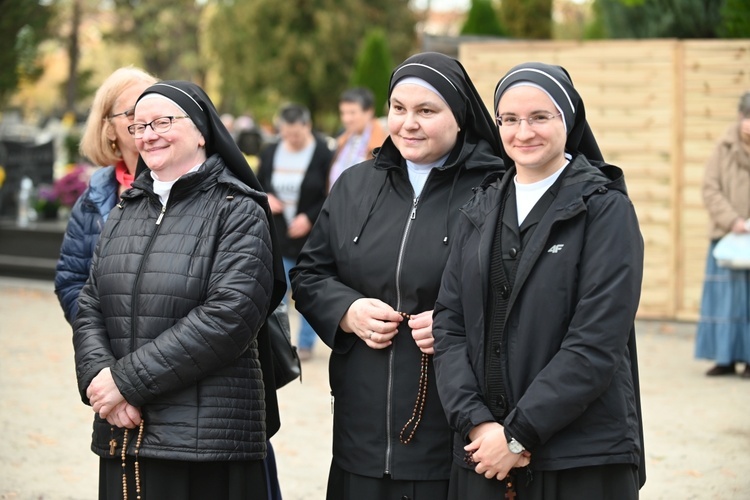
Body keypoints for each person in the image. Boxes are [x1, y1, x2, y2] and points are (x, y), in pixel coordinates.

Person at [290, 52, 504, 499]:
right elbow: (310, 273)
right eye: (399, 109)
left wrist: (456, 321)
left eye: (427, 110)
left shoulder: (497, 189)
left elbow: (522, 291)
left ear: (460, 115)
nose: (409, 123)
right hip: (362, 427)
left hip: (453, 425)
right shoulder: (354, 184)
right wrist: (347, 311)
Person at [432, 62, 646, 499]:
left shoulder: (605, 211)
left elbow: (595, 342)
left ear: (567, 120)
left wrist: (518, 434)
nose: (522, 132)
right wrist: (477, 423)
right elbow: (449, 326)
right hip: (484, 455)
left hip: (581, 457)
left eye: (539, 117)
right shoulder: (479, 208)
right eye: (509, 119)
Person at [72, 80, 287, 500]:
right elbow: (91, 301)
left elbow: (229, 317)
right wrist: (100, 381)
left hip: (205, 445)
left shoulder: (237, 209)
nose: (148, 134)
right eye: (139, 126)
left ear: (202, 130)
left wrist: (124, 383)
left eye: (163, 121)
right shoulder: (127, 208)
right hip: (123, 430)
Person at [55, 66, 157, 322]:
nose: (145, 121)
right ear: (109, 128)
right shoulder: (93, 199)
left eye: (153, 109)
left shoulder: (182, 186)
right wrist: (100, 340)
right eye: (133, 113)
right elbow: (72, 280)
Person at [257, 103, 333, 361]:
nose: (291, 139)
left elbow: (330, 193)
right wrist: (267, 197)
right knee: (277, 293)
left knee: (305, 293)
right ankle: (278, 346)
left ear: (307, 126)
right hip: (278, 234)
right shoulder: (271, 152)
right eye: (286, 134)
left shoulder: (323, 153)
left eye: (296, 135)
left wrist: (310, 218)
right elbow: (257, 183)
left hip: (309, 237)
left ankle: (306, 345)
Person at [695, 91, 750, 378]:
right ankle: (724, 358)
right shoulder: (723, 147)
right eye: (748, 117)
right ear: (740, 116)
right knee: (724, 302)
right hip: (726, 238)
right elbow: (710, 188)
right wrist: (732, 221)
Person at [327, 87, 387, 190]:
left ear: (369, 111)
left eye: (352, 113)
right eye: (343, 113)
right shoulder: (343, 140)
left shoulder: (382, 143)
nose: (346, 119)